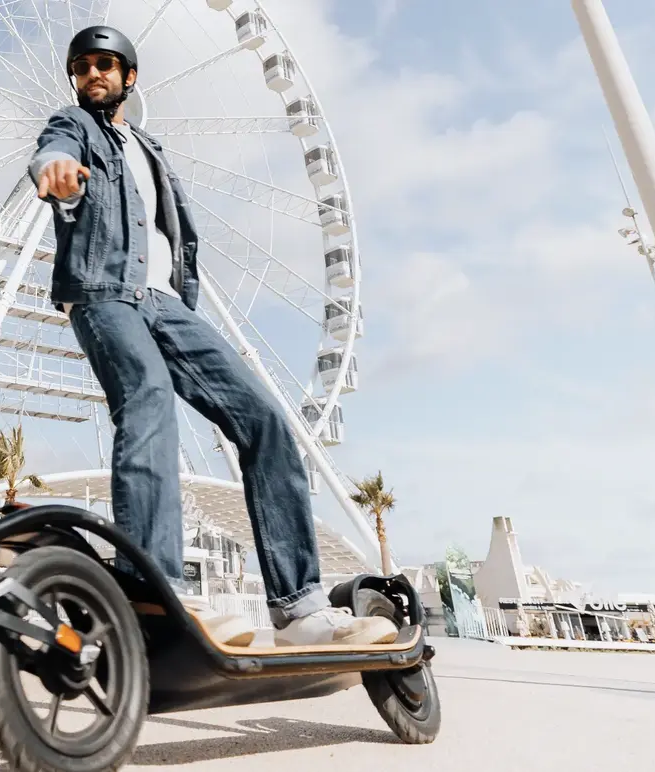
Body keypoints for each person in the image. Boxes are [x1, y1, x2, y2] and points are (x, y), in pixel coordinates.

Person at [27, 26, 398, 648]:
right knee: (147, 399)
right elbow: (51, 150)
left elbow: (173, 236)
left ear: (129, 77)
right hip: (103, 294)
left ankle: (301, 609)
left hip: (168, 304)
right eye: (83, 66)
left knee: (266, 421)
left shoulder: (150, 149)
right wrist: (55, 169)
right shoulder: (73, 127)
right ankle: (155, 592)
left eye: (106, 65)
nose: (94, 74)